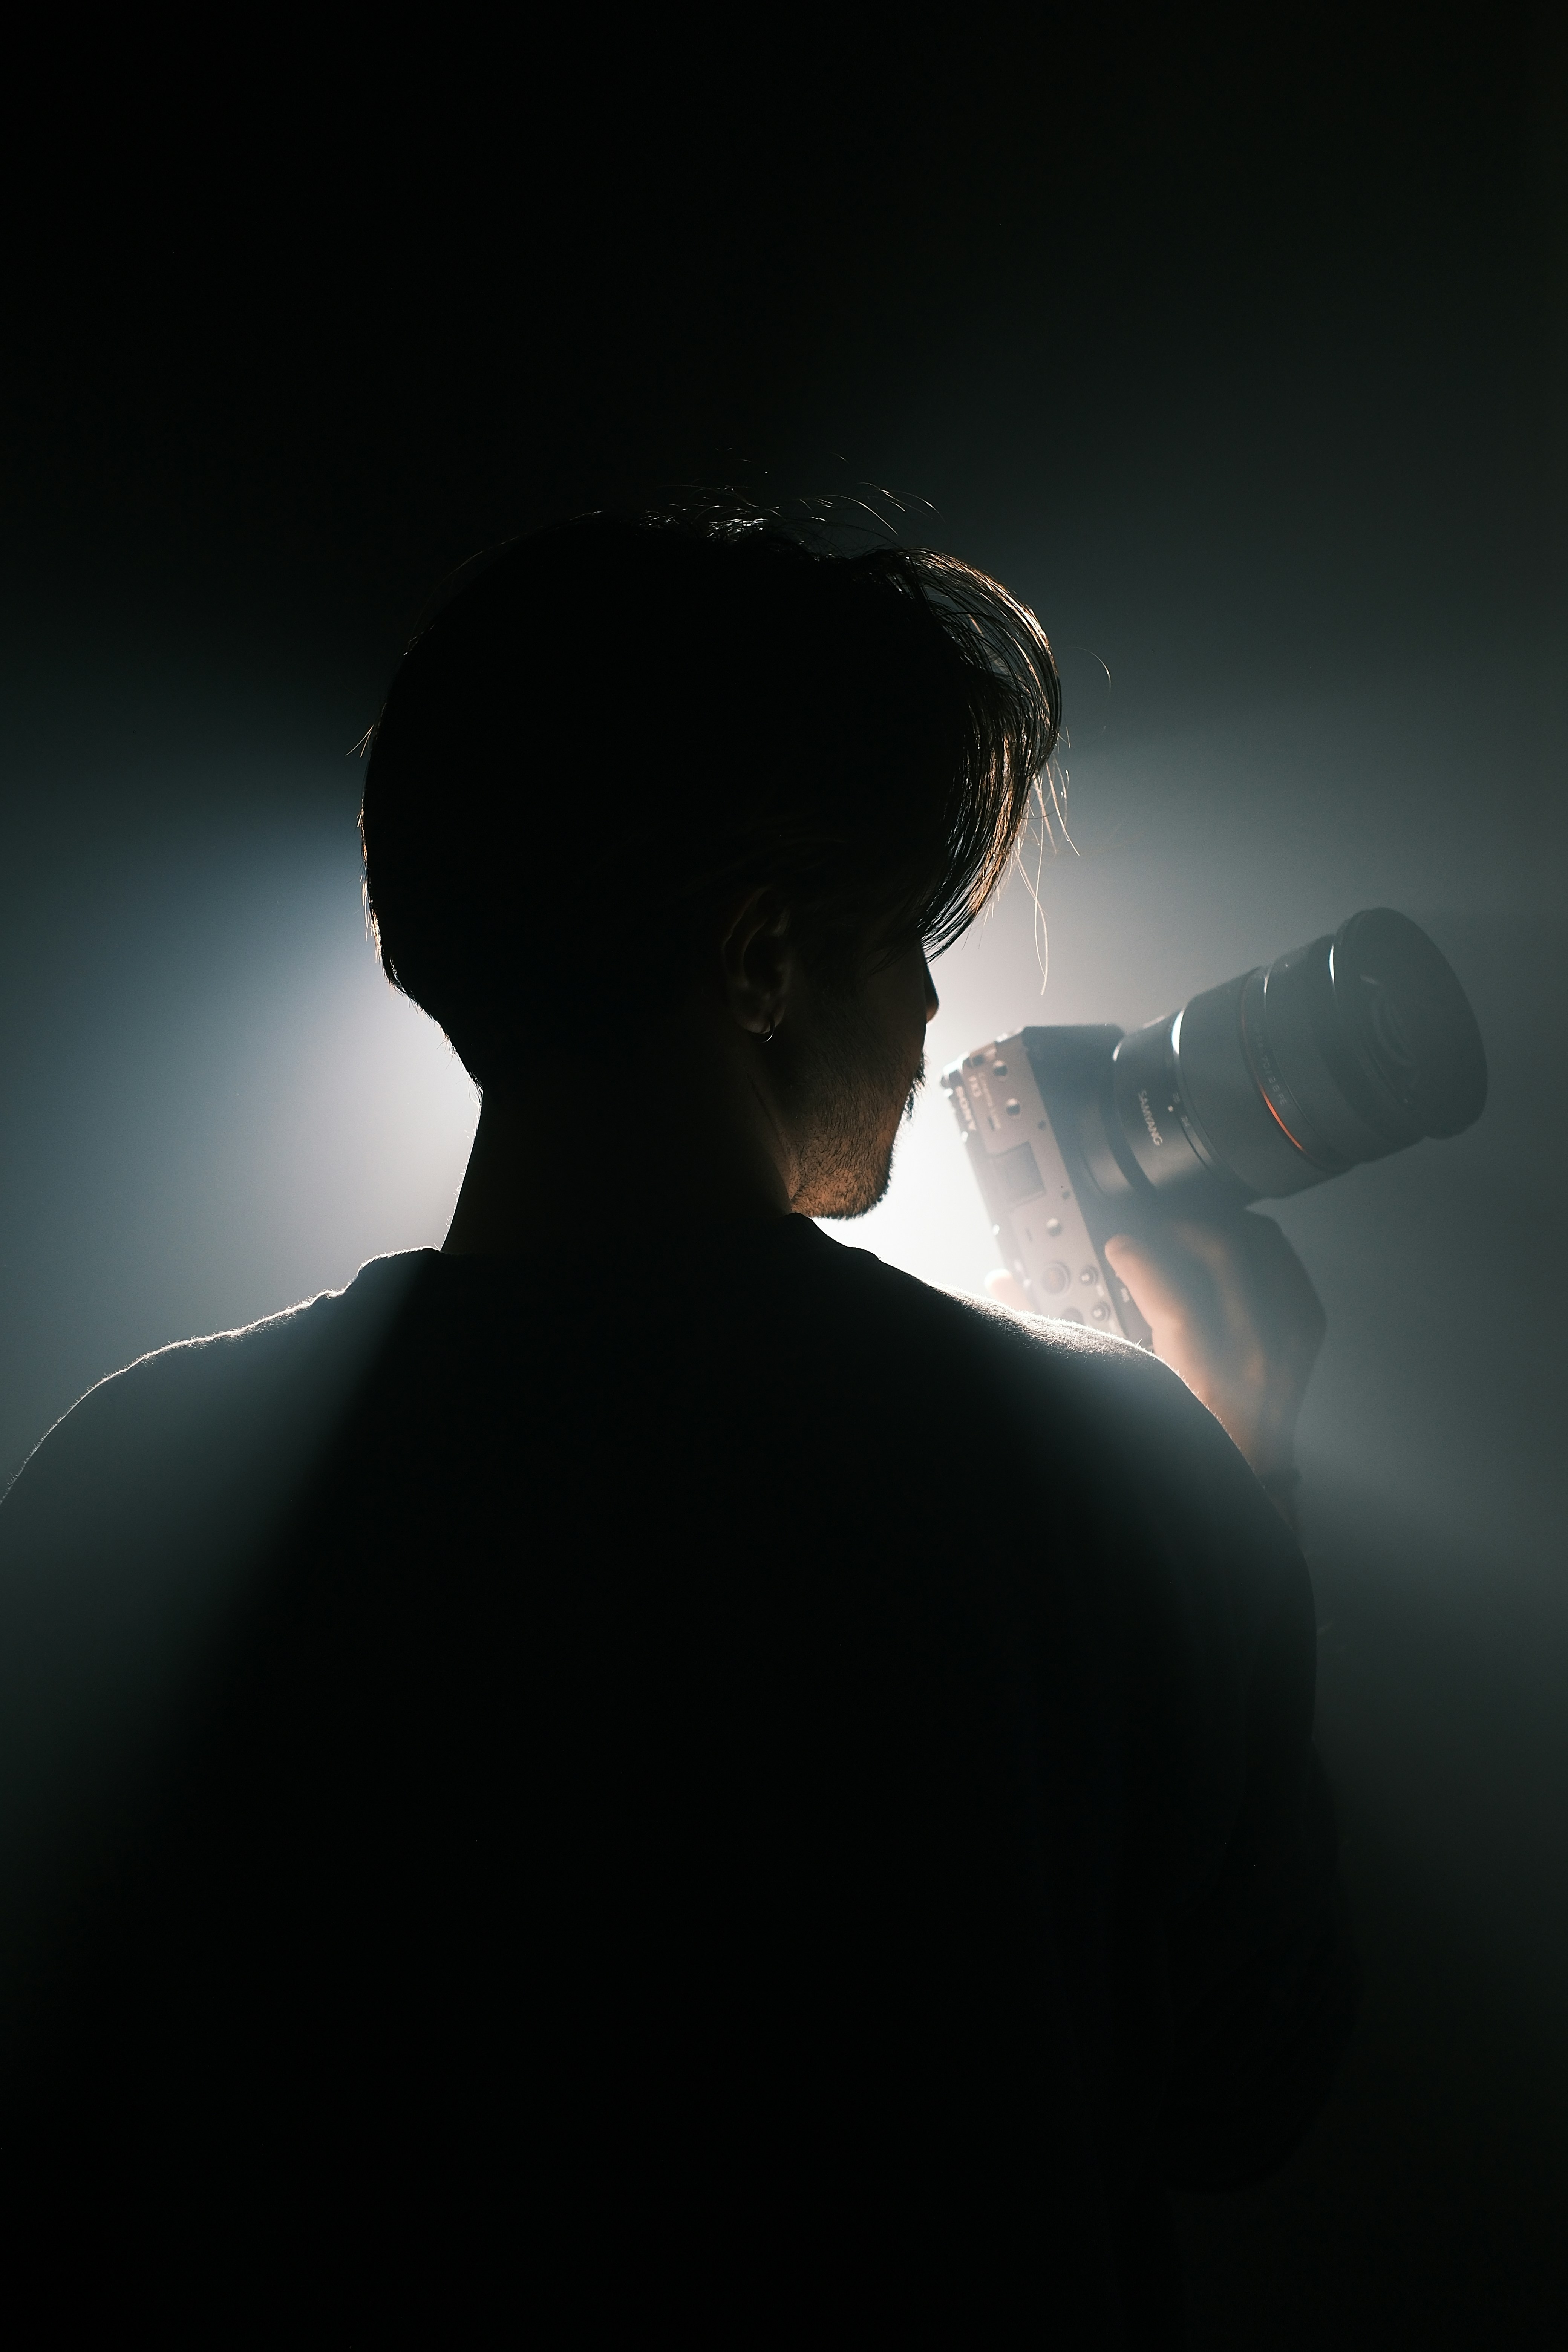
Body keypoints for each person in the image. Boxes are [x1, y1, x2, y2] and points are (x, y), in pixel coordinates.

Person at [0, 505, 1352, 2343]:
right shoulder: (1109, 1470)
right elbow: (1244, 2088)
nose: (931, 1002)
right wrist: (1239, 1466)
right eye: (903, 933)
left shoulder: (130, 1479)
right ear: (760, 961)